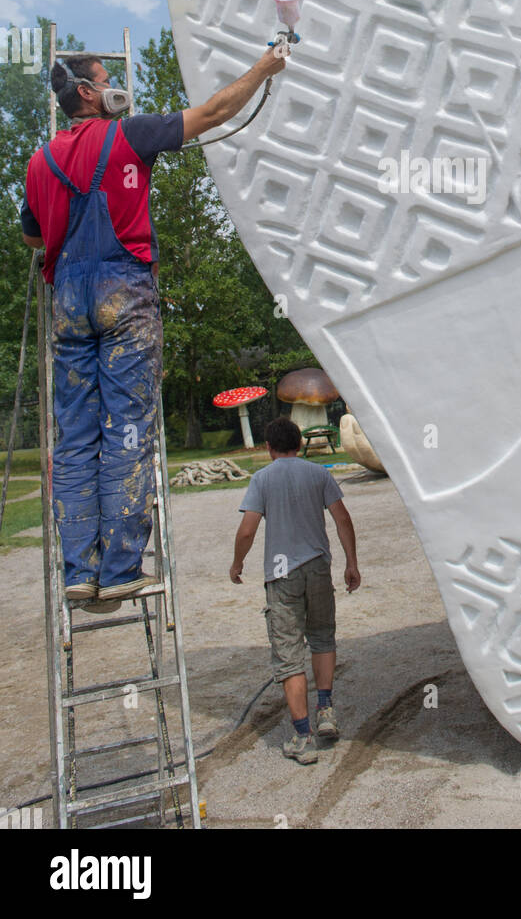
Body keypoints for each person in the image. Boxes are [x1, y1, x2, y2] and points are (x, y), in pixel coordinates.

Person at [20, 46, 288, 608]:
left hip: (69, 302)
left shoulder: (39, 161)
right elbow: (214, 113)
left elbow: (33, 238)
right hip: (123, 297)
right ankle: (118, 571)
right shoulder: (131, 136)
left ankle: (78, 570)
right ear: (89, 94)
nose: (118, 85)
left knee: (74, 438)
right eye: (108, 79)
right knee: (127, 432)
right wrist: (265, 68)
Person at [230, 416, 361, 764]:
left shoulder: (261, 479)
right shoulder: (319, 474)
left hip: (281, 573)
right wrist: (351, 563)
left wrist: (237, 563)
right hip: (318, 566)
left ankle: (303, 736)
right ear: (300, 445)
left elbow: (247, 530)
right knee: (322, 637)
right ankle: (326, 710)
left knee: (289, 653)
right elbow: (342, 518)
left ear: (269, 449)